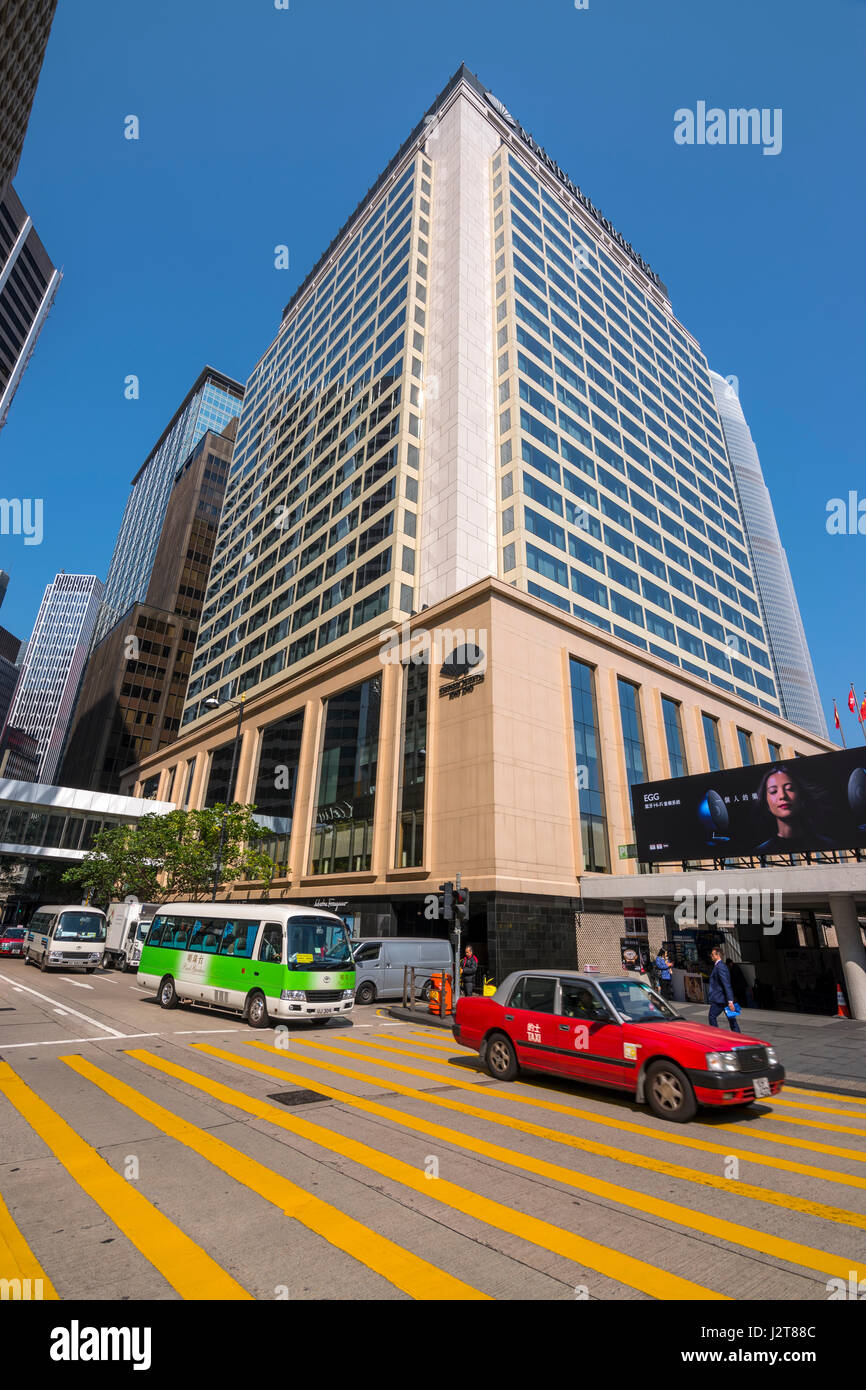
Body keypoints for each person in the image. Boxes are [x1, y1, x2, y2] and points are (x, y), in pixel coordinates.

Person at [753, 764, 836, 855]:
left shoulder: (827, 844)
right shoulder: (761, 851)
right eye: (773, 791)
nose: (782, 796)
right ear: (766, 802)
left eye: (789, 789)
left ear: (801, 796)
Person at [707, 947, 741, 1032]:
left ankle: (717, 1034)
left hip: (720, 998)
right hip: (723, 998)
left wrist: (730, 1001)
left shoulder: (720, 967)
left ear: (717, 955)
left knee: (712, 1016)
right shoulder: (721, 966)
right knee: (731, 1019)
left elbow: (726, 984)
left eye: (712, 954)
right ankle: (738, 1036)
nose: (711, 956)